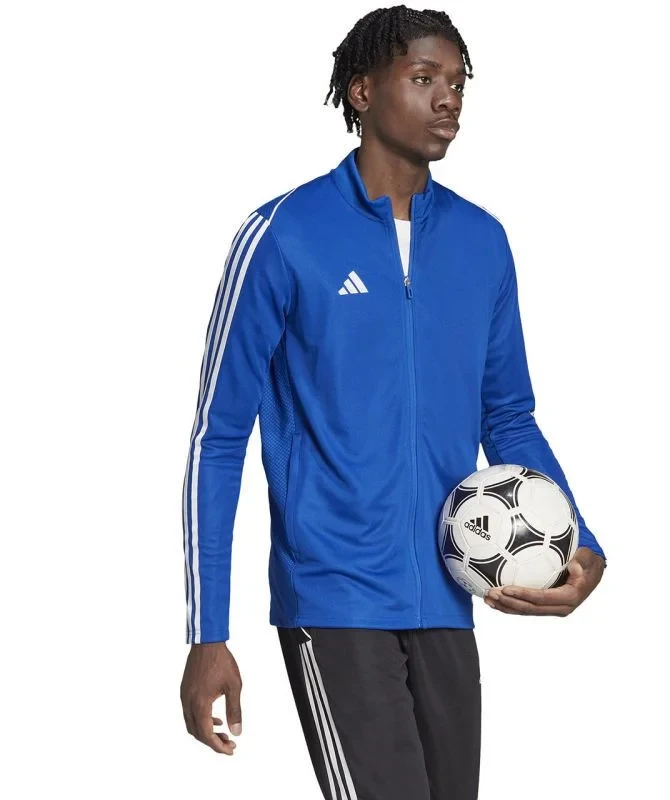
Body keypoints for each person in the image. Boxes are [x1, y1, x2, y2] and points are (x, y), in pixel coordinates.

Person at [180, 6, 607, 798]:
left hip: (449, 592)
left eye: (458, 83)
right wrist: (208, 632)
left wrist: (580, 541)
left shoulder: (482, 241)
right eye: (424, 78)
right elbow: (219, 436)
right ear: (363, 90)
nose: (449, 99)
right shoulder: (284, 236)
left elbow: (508, 416)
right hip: (334, 597)